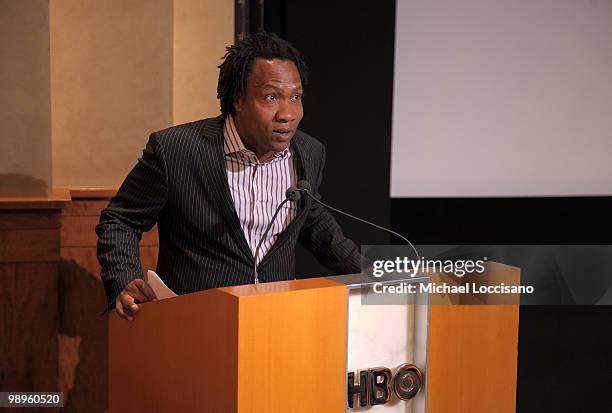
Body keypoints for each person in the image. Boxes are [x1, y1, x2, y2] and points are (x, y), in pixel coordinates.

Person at [96, 33, 361, 320]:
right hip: (197, 324)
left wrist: (376, 274)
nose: (288, 113)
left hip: (278, 322)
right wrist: (124, 279)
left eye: (295, 97)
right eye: (271, 97)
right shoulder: (176, 150)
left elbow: (313, 220)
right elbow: (120, 220)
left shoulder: (309, 151)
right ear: (237, 98)